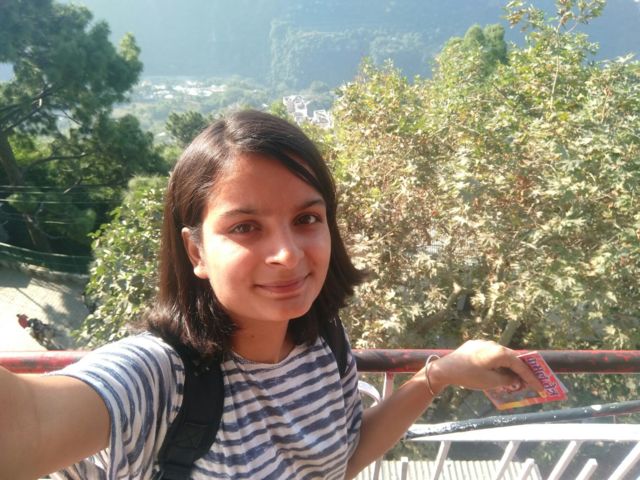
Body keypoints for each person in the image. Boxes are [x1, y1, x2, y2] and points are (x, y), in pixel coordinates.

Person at [0, 110, 543, 480]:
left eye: (306, 218)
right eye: (245, 227)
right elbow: (26, 428)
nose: (287, 253)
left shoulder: (321, 341)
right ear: (195, 252)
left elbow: (340, 461)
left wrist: (438, 375)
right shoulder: (159, 376)